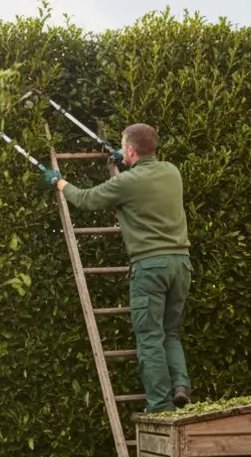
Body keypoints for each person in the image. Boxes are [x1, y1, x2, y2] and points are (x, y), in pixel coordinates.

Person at [42, 123, 192, 412]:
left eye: (125, 148)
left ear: (131, 150)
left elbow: (85, 199)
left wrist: (59, 183)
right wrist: (125, 161)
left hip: (151, 267)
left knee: (150, 338)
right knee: (170, 332)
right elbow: (143, 180)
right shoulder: (172, 171)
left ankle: (160, 406)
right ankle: (181, 385)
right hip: (181, 264)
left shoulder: (127, 183)